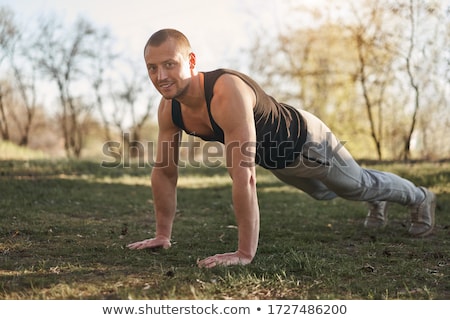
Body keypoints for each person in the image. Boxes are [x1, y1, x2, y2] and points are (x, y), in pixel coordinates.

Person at [127, 29, 436, 268]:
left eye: (170, 64)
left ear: (191, 62)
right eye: (152, 68)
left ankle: (421, 197)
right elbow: (165, 172)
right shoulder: (169, 109)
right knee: (324, 191)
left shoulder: (225, 92)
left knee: (356, 187)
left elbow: (243, 175)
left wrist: (244, 253)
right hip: (277, 159)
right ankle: (375, 196)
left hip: (308, 143)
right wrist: (162, 235)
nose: (161, 76)